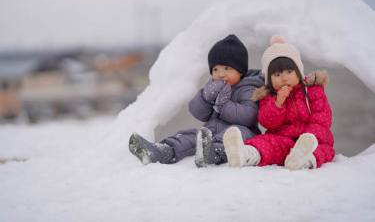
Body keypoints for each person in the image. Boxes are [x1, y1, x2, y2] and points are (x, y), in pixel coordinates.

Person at [128, 34, 265, 167]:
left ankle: (213, 152)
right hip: (210, 132)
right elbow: (198, 113)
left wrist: (223, 104)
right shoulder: (214, 86)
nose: (221, 74)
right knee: (189, 135)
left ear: (240, 70)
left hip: (242, 133)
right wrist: (206, 97)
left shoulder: (248, 88)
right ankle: (162, 151)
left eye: (227, 68)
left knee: (233, 134)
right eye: (216, 69)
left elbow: (248, 116)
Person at [223, 34, 335, 171]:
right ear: (269, 79)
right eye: (277, 75)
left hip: (312, 139)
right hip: (284, 139)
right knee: (267, 143)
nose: (284, 78)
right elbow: (267, 123)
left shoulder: (313, 90)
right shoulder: (269, 96)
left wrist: (308, 139)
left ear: (299, 71)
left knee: (323, 150)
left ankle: (303, 160)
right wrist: (277, 104)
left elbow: (322, 119)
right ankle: (245, 154)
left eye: (289, 71)